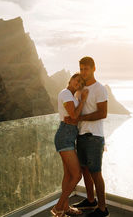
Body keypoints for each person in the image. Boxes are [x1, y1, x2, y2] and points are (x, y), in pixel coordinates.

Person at [66, 57, 109, 217]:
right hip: (81, 135)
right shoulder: (79, 90)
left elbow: (102, 113)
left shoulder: (100, 89)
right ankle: (91, 200)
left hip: (94, 137)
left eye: (86, 69)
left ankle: (103, 209)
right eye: (81, 69)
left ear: (93, 69)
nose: (83, 72)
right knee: (84, 170)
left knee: (96, 172)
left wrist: (80, 118)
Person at [51, 73, 89, 217]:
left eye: (81, 83)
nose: (78, 84)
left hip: (68, 136)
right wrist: (83, 101)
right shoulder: (66, 93)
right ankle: (59, 206)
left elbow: (74, 118)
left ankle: (65, 208)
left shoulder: (71, 96)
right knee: (77, 175)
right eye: (77, 80)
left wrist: (74, 118)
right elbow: (74, 116)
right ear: (71, 79)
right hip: (65, 137)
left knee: (68, 175)